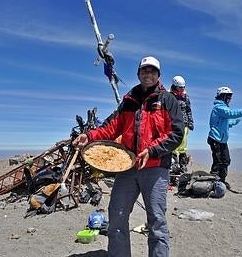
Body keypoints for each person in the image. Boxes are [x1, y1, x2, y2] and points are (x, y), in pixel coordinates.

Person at [73, 56, 184, 257]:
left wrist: (152, 150)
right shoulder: (129, 100)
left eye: (152, 71)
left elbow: (176, 133)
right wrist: (88, 136)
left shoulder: (168, 100)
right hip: (127, 167)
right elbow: (111, 127)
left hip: (156, 168)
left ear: (158, 75)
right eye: (144, 70)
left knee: (157, 220)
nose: (148, 74)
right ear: (138, 74)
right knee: (116, 216)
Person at [207, 86, 242, 189]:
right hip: (216, 139)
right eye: (228, 97)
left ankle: (221, 181)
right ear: (223, 96)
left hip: (222, 140)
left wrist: (233, 122)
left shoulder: (223, 108)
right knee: (218, 162)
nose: (230, 99)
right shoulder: (219, 108)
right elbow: (230, 114)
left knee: (226, 160)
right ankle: (213, 184)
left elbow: (224, 122)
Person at [169, 75, 194, 177]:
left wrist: (190, 122)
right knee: (174, 144)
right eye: (180, 87)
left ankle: (183, 165)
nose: (182, 89)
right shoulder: (169, 96)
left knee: (183, 146)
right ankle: (173, 165)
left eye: (183, 87)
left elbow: (188, 110)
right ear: (175, 86)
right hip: (173, 124)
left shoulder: (185, 97)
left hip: (184, 124)